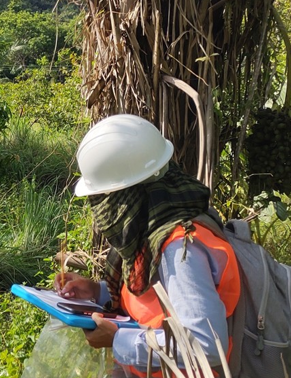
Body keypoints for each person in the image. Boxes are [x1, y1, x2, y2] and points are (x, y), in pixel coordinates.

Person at [55, 114, 240, 377]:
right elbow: (158, 294)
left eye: (102, 200)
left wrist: (118, 340)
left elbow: (206, 344)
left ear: (125, 197)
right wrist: (97, 292)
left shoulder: (180, 250)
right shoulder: (155, 226)